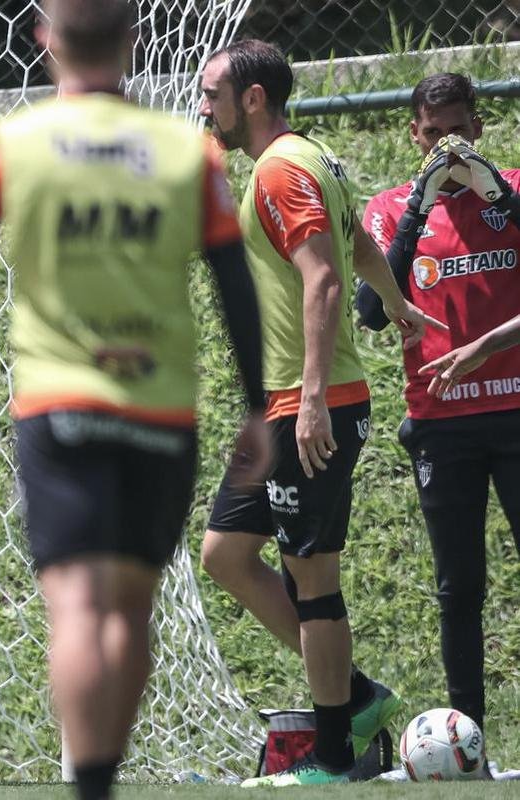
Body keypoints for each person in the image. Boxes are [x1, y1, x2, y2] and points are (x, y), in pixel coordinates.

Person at [0, 2, 271, 797]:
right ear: (133, 39)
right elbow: (232, 285)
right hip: (159, 409)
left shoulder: (9, 145)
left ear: (45, 39)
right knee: (131, 611)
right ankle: (102, 780)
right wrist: (257, 405)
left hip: (59, 407)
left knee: (77, 608)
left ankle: (90, 789)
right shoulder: (187, 152)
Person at [196, 40, 442, 786]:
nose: (203, 106)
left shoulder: (278, 169)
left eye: (213, 93)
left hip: (311, 404)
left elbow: (326, 278)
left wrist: (308, 401)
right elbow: (361, 244)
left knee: (313, 575)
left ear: (255, 99)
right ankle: (356, 696)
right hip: (286, 401)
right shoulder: (314, 158)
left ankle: (335, 756)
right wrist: (399, 306)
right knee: (225, 554)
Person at [356, 73, 520, 767]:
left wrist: (498, 196)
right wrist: (422, 207)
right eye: (432, 136)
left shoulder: (510, 187)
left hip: (516, 412)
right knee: (459, 587)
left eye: (458, 133)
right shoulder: (391, 210)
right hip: (439, 425)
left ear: (478, 129)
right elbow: (369, 313)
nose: (446, 149)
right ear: (413, 137)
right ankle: (471, 753)